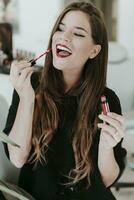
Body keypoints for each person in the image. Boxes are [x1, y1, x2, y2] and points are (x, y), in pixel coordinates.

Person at [3, 1, 126, 200]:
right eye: (60, 28)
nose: (64, 36)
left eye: (78, 34)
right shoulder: (29, 85)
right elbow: (17, 158)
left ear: (94, 51)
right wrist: (27, 98)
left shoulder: (107, 99)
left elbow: (107, 181)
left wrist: (106, 147)